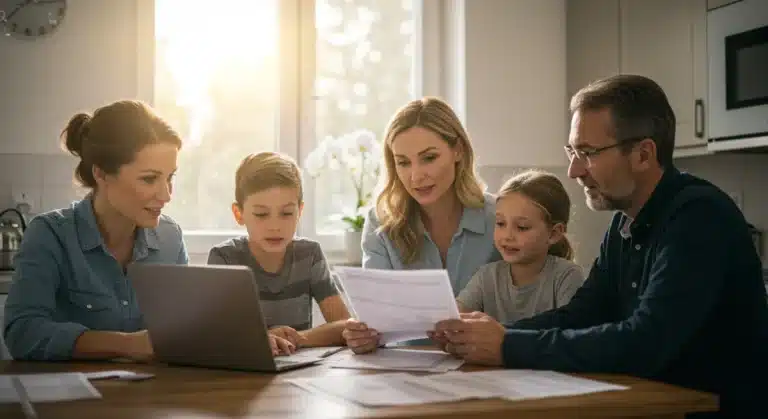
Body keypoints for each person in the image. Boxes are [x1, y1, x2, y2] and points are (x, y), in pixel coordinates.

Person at [431, 75, 768, 418]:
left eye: (587, 153)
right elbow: (583, 314)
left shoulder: (698, 217)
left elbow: (646, 342)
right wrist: (486, 335)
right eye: (572, 152)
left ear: (643, 154)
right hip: (656, 404)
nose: (575, 169)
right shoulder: (623, 222)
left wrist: (506, 345)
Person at [3, 100, 187, 362]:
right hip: (70, 398)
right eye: (149, 179)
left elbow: (184, 327)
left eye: (170, 178)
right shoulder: (50, 234)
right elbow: (22, 333)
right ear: (101, 174)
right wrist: (128, 345)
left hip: (152, 397)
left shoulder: (171, 237)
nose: (166, 195)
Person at [342, 96, 500, 353]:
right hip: (407, 373)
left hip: (488, 369)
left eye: (429, 158)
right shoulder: (380, 224)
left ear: (457, 150)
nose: (416, 176)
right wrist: (364, 334)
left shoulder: (499, 218)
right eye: (403, 162)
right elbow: (376, 322)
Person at [208, 152, 351, 349]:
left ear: (299, 212)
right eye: (261, 214)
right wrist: (261, 339)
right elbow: (217, 333)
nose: (275, 226)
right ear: (239, 213)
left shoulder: (309, 254)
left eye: (286, 213)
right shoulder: (225, 258)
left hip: (299, 370)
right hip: (244, 375)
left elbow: (345, 325)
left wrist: (296, 338)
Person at [456, 170, 585, 323]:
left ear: (554, 234)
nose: (507, 236)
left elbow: (569, 333)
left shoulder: (567, 276)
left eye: (522, 227)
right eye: (500, 223)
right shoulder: (487, 276)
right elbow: (456, 315)